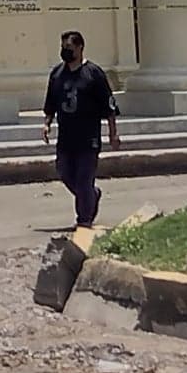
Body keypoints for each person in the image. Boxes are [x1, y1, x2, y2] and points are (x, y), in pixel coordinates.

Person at [41, 29, 120, 230]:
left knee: (84, 179)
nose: (65, 51)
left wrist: (113, 134)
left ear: (80, 48)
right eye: (63, 48)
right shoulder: (57, 74)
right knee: (65, 173)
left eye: (69, 48)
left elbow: (108, 107)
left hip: (88, 138)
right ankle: (91, 196)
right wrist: (47, 123)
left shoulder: (93, 74)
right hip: (66, 138)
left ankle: (84, 219)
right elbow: (51, 102)